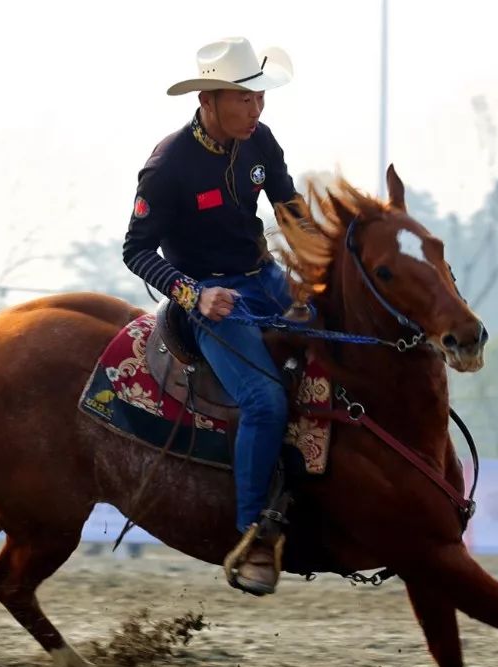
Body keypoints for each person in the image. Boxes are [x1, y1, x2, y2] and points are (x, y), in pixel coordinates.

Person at [121, 37, 300, 596]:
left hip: (264, 276)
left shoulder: (261, 140)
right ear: (208, 99)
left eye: (259, 98)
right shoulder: (168, 165)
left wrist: (319, 255)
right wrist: (191, 294)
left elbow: (288, 206)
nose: (258, 109)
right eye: (245, 99)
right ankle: (252, 534)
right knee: (265, 400)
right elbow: (136, 250)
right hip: (209, 295)